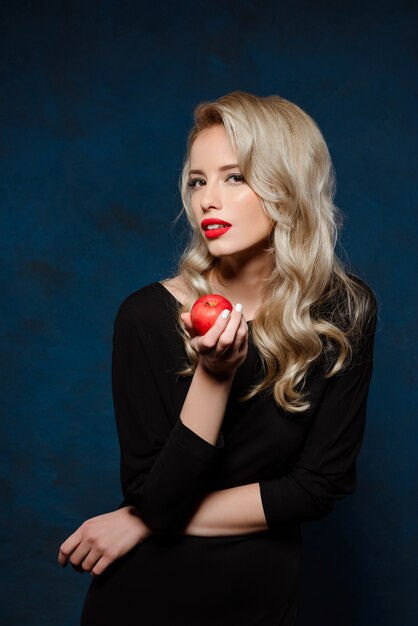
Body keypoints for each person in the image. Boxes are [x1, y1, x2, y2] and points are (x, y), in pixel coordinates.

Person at [58, 91, 378, 626]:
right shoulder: (145, 316)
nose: (209, 199)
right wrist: (214, 373)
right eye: (198, 180)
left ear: (287, 186)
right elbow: (156, 496)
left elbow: (318, 487)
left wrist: (143, 522)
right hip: (145, 600)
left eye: (234, 177)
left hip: (259, 599)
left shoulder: (344, 313)